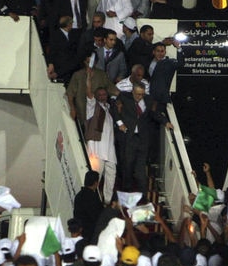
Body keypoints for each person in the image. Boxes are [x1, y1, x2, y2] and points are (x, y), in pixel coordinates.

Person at [116, 82, 173, 192]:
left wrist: (165, 122)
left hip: (142, 139)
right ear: (132, 91)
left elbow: (153, 114)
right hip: (129, 137)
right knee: (128, 164)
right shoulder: (124, 97)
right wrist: (120, 123)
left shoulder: (148, 100)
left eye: (142, 94)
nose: (140, 97)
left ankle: (143, 194)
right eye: (138, 94)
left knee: (141, 167)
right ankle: (126, 190)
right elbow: (114, 111)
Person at [85, 70, 117, 203]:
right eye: (100, 95)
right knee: (96, 177)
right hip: (97, 149)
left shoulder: (108, 109)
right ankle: (95, 201)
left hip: (109, 150)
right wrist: (89, 80)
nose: (103, 96)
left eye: (104, 94)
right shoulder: (93, 107)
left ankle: (107, 200)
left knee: (111, 175)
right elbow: (89, 94)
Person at [66, 52, 119, 126]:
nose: (90, 65)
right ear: (84, 62)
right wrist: (72, 108)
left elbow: (112, 89)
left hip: (98, 111)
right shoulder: (77, 75)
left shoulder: (101, 74)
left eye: (93, 62)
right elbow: (70, 94)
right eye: (88, 62)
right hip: (82, 110)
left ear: (96, 62)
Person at [148, 43, 184, 113]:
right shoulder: (148, 62)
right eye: (158, 51)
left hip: (161, 98)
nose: (160, 53)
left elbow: (181, 64)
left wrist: (179, 48)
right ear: (153, 52)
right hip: (147, 96)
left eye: (162, 51)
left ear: (165, 52)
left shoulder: (170, 63)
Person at [46, 15, 79, 84]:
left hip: (71, 67)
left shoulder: (73, 35)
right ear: (68, 25)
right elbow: (52, 51)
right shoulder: (55, 35)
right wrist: (51, 64)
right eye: (71, 23)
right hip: (60, 67)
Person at [73, 171, 104, 243]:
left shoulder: (78, 196)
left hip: (81, 232)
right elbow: (98, 216)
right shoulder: (93, 198)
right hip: (91, 234)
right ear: (96, 183)